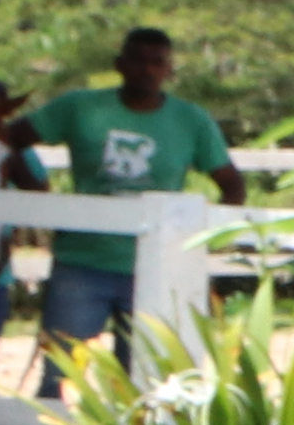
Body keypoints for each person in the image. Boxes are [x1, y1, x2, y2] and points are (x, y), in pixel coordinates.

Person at [26, 30, 244, 363]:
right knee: (59, 371)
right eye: (138, 61)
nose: (147, 70)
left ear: (169, 70)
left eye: (157, 63)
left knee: (146, 375)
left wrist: (205, 240)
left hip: (155, 264)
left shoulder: (191, 120)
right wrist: (33, 190)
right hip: (82, 262)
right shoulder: (79, 108)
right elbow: (5, 140)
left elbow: (231, 183)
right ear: (120, 65)